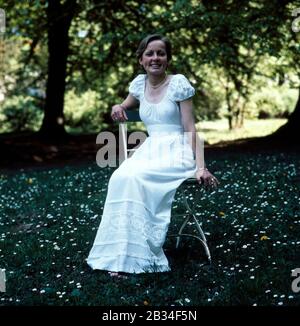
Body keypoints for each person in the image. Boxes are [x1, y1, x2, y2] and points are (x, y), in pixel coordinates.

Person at [87, 34, 219, 277]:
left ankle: (142, 255)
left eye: (161, 53)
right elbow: (124, 104)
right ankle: (119, 254)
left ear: (168, 59)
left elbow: (190, 127)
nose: (155, 58)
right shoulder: (139, 84)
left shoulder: (179, 83)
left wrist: (201, 166)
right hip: (151, 148)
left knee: (136, 177)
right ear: (141, 59)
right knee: (120, 177)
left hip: (177, 151)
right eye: (150, 53)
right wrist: (118, 106)